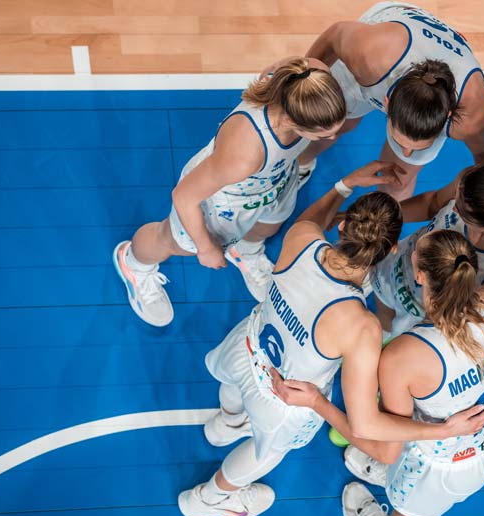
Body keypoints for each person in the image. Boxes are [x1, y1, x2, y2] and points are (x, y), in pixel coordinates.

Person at [177, 164, 484, 516]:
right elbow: (367, 427)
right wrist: (441, 430)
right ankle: (209, 499)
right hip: (284, 399)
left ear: (344, 226)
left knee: (234, 392)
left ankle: (228, 422)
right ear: (392, 250)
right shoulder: (361, 327)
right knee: (264, 455)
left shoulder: (302, 238)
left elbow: (316, 217)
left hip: (246, 347)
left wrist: (345, 185)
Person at [273, 230, 484, 516]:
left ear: (419, 274)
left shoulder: (405, 356)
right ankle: (392, 476)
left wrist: (316, 401)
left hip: (435, 472)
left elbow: (384, 444)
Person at [113, 57, 347, 327]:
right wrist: (205, 249)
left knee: (267, 226)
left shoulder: (310, 76)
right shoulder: (243, 154)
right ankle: (134, 263)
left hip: (273, 181)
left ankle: (246, 251)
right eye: (322, 134)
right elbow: (183, 197)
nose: (331, 139)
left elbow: (293, 64)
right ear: (293, 119)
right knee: (171, 241)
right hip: (224, 199)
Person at [298, 3, 484, 200]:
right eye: (402, 142)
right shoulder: (369, 56)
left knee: (398, 178)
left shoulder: (473, 116)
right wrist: (301, 85)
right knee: (325, 121)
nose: (406, 152)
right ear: (386, 104)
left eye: (418, 146)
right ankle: (301, 164)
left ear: (447, 116)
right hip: (389, 34)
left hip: (419, 58)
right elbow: (335, 35)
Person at [374, 162, 484, 338]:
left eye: (462, 210)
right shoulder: (472, 182)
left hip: (417, 321)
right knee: (383, 318)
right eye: (457, 195)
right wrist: (379, 218)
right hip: (391, 269)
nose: (454, 206)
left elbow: (483, 343)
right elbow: (434, 203)